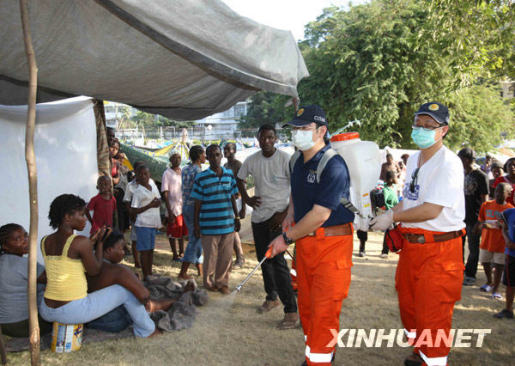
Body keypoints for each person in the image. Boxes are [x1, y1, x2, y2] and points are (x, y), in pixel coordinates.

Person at [370, 102, 465, 366]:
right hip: (413, 248)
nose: (421, 129)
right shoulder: (414, 160)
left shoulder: (449, 163)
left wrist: (394, 217)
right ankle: (420, 354)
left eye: (428, 125)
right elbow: (409, 201)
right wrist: (387, 214)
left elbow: (432, 209)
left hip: (440, 250)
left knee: (433, 315)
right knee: (410, 307)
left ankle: (432, 359)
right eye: (418, 124)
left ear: (443, 130)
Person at [269, 105, 354, 366]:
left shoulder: (333, 165)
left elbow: (320, 214)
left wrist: (286, 238)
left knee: (323, 310)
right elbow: (298, 195)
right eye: (295, 129)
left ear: (321, 131)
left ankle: (319, 360)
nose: (297, 134)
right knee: (307, 308)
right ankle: (318, 356)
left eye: (304, 129)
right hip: (306, 244)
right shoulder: (296, 160)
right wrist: (290, 215)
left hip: (332, 245)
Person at [38, 194, 157, 338]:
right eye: (81, 215)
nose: (85, 219)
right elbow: (95, 270)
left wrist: (91, 243)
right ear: (67, 217)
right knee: (124, 290)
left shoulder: (45, 241)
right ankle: (147, 330)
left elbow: (68, 260)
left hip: (46, 310)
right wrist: (99, 243)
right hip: (71, 311)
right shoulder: (80, 242)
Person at [237, 124, 298, 329]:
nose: (266, 141)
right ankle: (271, 297)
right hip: (259, 218)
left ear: (276, 138)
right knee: (264, 260)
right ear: (258, 139)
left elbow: (297, 190)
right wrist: (246, 198)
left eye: (270, 137)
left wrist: (284, 214)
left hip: (278, 218)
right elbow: (240, 177)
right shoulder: (252, 160)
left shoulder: (286, 159)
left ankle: (291, 311)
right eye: (263, 138)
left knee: (278, 262)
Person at [86, 231, 176, 332]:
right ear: (109, 250)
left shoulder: (87, 264)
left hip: (89, 318)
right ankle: (175, 301)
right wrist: (134, 283)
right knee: (145, 303)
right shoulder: (117, 270)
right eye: (122, 248)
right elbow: (144, 297)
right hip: (112, 321)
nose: (124, 253)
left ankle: (171, 301)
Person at [191, 145, 240, 295]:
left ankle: (222, 283)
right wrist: (196, 224)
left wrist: (237, 217)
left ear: (221, 156)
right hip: (208, 225)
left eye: (217, 155)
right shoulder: (201, 177)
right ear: (207, 157)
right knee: (210, 257)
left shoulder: (229, 175)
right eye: (211, 155)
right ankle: (208, 282)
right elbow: (197, 203)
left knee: (226, 257)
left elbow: (233, 196)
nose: (215, 158)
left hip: (227, 224)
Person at [0, 224, 52, 337]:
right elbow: (53, 278)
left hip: (3, 325)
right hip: (23, 325)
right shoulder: (22, 263)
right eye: (18, 239)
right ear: (5, 246)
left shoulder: (3, 261)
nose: (25, 241)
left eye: (25, 236)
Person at [475, 183, 513, 299]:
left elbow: (510, 227)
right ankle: (489, 282)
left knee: (499, 266)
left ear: (508, 194)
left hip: (501, 243)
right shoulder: (486, 205)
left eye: (501, 192)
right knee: (485, 262)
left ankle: (496, 289)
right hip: (486, 240)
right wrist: (482, 226)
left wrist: (502, 226)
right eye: (496, 191)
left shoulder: (510, 209)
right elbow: (480, 220)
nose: (497, 194)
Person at [458, 147, 489, 286]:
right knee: (458, 245)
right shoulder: (459, 174)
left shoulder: (481, 176)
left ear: (467, 159)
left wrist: (481, 220)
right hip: (459, 217)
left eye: (461, 159)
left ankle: (470, 274)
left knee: (473, 247)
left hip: (474, 218)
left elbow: (485, 200)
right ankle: (459, 271)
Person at [177, 145, 206, 280]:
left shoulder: (185, 169)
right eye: (204, 154)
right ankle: (183, 271)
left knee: (197, 237)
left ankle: (200, 269)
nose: (205, 156)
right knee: (195, 238)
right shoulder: (198, 171)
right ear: (199, 156)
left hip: (186, 206)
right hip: (195, 208)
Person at [130, 165, 162, 280]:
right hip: (143, 224)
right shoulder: (138, 191)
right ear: (137, 176)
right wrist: (150, 205)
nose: (143, 176)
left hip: (153, 223)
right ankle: (146, 275)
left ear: (150, 175)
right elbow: (134, 210)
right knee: (144, 251)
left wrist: (158, 202)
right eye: (140, 174)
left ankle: (150, 272)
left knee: (150, 250)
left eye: (146, 174)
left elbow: (158, 198)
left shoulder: (153, 186)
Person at [162, 152, 187, 261]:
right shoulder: (167, 173)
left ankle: (182, 252)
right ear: (170, 160)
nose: (177, 160)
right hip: (172, 207)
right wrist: (169, 211)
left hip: (182, 207)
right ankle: (174, 254)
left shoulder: (182, 172)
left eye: (179, 158)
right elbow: (165, 193)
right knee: (172, 231)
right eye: (174, 158)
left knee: (181, 231)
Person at [123, 161, 148, 268]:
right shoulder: (130, 185)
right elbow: (127, 201)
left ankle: (144, 260)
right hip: (136, 216)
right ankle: (137, 261)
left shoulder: (149, 184)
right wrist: (131, 213)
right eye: (139, 171)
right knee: (135, 239)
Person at [224, 142, 245, 267]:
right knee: (230, 230)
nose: (225, 151)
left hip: (237, 200)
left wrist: (242, 207)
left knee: (233, 230)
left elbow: (242, 186)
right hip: (228, 200)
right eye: (224, 149)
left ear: (234, 151)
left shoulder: (238, 165)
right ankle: (236, 257)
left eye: (228, 149)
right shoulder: (225, 165)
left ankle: (240, 257)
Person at [494, 207, 515, 319]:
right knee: (510, 284)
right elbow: (500, 223)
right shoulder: (509, 212)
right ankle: (508, 309)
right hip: (511, 255)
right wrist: (505, 235)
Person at [380, 170, 400, 258]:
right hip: (390, 212)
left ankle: (395, 247)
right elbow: (384, 202)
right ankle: (385, 251)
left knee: (395, 230)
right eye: (395, 177)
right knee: (389, 232)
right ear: (391, 179)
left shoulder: (394, 187)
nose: (396, 178)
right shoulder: (385, 190)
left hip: (397, 211)